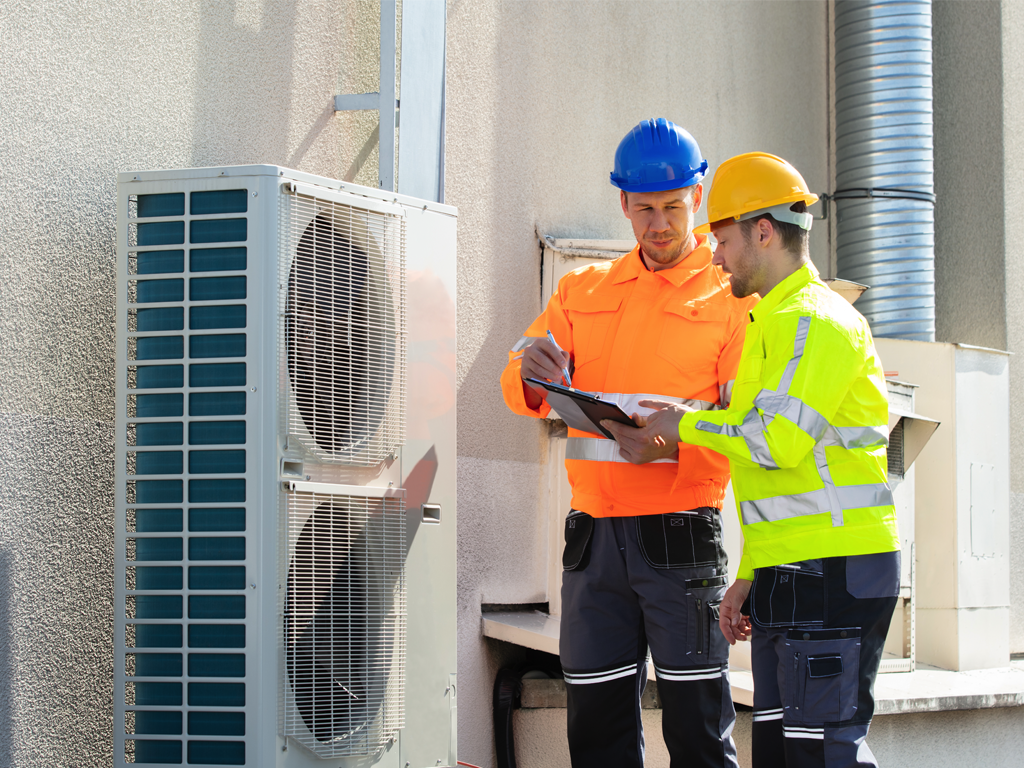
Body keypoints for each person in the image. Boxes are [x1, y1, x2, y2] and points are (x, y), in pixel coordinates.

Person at [602, 152, 901, 767]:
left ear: (764, 231)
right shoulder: (774, 322)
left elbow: (775, 441)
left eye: (723, 238)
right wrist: (750, 574)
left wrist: (684, 425)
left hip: (836, 572)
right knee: (785, 753)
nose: (713, 255)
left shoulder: (815, 322)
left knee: (825, 752)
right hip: (797, 571)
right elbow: (770, 474)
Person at [500, 118, 756, 768]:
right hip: (592, 543)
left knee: (698, 732)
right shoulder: (581, 291)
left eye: (673, 207)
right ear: (622, 204)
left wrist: (678, 431)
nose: (660, 224)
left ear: (697, 198)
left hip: (680, 533)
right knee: (596, 732)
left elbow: (750, 422)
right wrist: (534, 377)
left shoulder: (732, 300)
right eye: (644, 209)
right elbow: (516, 378)